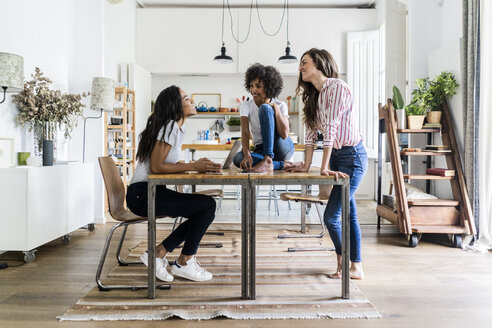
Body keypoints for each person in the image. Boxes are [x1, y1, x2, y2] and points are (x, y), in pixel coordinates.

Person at [285, 48, 368, 280]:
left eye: (304, 62)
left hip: (353, 158)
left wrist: (323, 167)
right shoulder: (317, 95)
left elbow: (330, 127)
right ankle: (355, 265)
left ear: (319, 63)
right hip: (337, 158)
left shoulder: (337, 87)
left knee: (332, 216)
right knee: (349, 213)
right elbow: (312, 133)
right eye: (300, 64)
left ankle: (343, 261)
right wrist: (306, 164)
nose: (300, 67)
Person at [126, 85, 222, 282]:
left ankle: (161, 253)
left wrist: (194, 165)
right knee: (206, 206)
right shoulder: (169, 126)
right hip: (143, 195)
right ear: (175, 106)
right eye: (187, 99)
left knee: (204, 207)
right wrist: (194, 166)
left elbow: (164, 162)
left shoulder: (175, 127)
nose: (192, 101)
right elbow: (156, 166)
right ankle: (182, 261)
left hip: (149, 192)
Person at [233, 63, 294, 172]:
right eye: (251, 85)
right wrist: (246, 154)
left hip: (281, 146)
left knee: (265, 108)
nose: (254, 90)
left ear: (269, 87)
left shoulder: (280, 105)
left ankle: (268, 159)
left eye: (258, 86)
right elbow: (245, 132)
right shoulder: (246, 105)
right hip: (260, 149)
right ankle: (280, 165)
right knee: (238, 159)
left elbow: (284, 134)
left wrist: (276, 110)